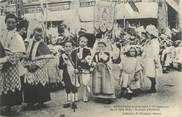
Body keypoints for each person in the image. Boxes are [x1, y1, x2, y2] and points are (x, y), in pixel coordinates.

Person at [0, 13, 26, 116]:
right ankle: (4, 105)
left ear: (16, 24)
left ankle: (11, 107)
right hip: (2, 65)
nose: (10, 24)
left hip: (12, 65)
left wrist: (9, 62)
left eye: (13, 23)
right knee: (3, 85)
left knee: (12, 85)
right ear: (5, 22)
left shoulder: (17, 36)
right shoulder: (1, 33)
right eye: (8, 22)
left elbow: (20, 52)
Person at [23, 27, 53, 110]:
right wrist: (28, 65)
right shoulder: (28, 43)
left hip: (40, 67)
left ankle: (41, 101)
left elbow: (47, 57)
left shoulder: (43, 44)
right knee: (30, 84)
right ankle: (30, 102)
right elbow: (24, 56)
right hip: (29, 66)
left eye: (41, 34)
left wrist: (37, 65)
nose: (39, 35)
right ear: (33, 33)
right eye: (37, 33)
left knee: (40, 84)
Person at [58, 41, 80, 108]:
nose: (68, 48)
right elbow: (60, 66)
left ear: (72, 47)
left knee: (74, 87)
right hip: (66, 74)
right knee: (67, 87)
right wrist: (63, 64)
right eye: (66, 46)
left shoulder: (74, 55)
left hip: (73, 73)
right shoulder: (62, 56)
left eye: (69, 46)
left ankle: (74, 101)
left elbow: (78, 64)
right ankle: (68, 101)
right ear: (64, 47)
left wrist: (77, 69)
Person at [71, 34, 92, 102]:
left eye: (84, 42)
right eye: (81, 41)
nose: (82, 43)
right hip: (77, 68)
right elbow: (72, 59)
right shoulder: (75, 50)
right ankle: (76, 96)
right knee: (76, 82)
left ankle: (84, 95)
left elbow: (89, 58)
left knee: (85, 83)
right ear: (79, 42)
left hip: (85, 68)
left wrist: (85, 60)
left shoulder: (88, 50)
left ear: (86, 43)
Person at [142, 25, 162, 93]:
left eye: (148, 33)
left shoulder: (155, 41)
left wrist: (155, 60)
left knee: (151, 73)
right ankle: (153, 84)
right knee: (147, 73)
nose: (147, 35)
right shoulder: (148, 41)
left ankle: (153, 85)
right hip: (147, 59)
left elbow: (155, 51)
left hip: (152, 59)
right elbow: (145, 50)